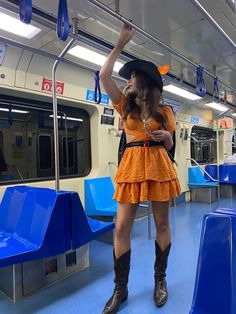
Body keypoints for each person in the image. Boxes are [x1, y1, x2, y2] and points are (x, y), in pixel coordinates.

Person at [99, 24, 181, 314]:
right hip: (132, 165)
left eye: (134, 76)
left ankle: (160, 280)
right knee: (121, 227)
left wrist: (168, 138)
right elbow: (104, 76)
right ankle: (120, 289)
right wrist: (120, 42)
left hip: (158, 165)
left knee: (161, 224)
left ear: (146, 82)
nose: (129, 80)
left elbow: (172, 146)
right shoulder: (125, 106)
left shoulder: (166, 112)